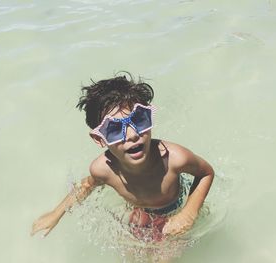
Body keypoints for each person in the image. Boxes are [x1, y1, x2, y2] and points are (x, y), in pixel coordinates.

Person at [31, 73, 214, 240]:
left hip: (173, 208)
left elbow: (206, 173)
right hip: (139, 212)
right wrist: (56, 213)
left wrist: (189, 212)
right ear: (99, 139)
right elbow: (87, 184)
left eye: (139, 120)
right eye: (115, 129)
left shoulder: (174, 158)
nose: (132, 135)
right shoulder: (103, 169)